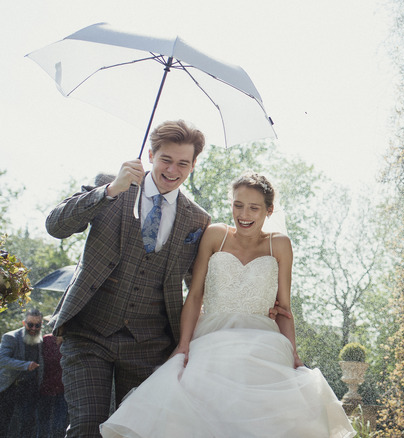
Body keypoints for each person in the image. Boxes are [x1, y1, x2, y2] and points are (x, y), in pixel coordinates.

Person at [100, 172, 356, 437]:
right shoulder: (215, 235)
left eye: (254, 208)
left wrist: (293, 354)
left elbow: (283, 308)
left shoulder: (279, 245)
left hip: (264, 340)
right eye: (238, 205)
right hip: (213, 335)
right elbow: (195, 294)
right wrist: (183, 345)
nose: (244, 214)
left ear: (269, 210)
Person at [46, 120, 212, 437]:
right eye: (166, 159)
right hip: (89, 334)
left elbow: (200, 287)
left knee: (134, 432)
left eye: (183, 163)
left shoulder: (198, 219)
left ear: (193, 165)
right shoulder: (111, 186)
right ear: (150, 154)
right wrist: (109, 192)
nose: (173, 170)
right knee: (86, 427)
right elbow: (56, 226)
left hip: (149, 344)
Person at [0, 308, 45, 438]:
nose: (34, 328)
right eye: (30, 324)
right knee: (4, 423)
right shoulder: (10, 337)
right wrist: (25, 366)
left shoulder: (41, 341)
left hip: (30, 388)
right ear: (24, 323)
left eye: (38, 325)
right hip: (10, 387)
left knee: (28, 423)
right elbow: (2, 360)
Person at [38, 333, 68, 438]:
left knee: (60, 425)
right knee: (42, 424)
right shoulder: (45, 341)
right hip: (45, 388)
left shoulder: (71, 341)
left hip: (64, 390)